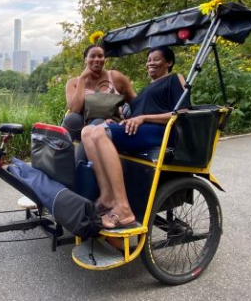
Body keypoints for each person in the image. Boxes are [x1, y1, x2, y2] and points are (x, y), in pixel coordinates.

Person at [81, 46, 191, 229]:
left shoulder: (174, 79)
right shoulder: (147, 89)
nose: (150, 63)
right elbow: (135, 116)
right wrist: (119, 120)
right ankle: (107, 195)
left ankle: (123, 208)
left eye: (156, 59)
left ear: (169, 62)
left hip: (160, 132)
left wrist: (144, 118)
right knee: (87, 131)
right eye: (148, 60)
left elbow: (182, 113)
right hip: (141, 131)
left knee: (100, 132)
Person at [62, 43, 136, 142]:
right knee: (71, 119)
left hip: (110, 125)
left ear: (105, 59)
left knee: (98, 123)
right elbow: (75, 109)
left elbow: (136, 102)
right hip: (84, 125)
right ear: (85, 60)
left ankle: (81, 157)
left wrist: (133, 119)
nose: (97, 59)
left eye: (100, 56)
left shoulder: (115, 77)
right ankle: (59, 153)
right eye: (92, 56)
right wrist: (82, 79)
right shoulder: (73, 83)